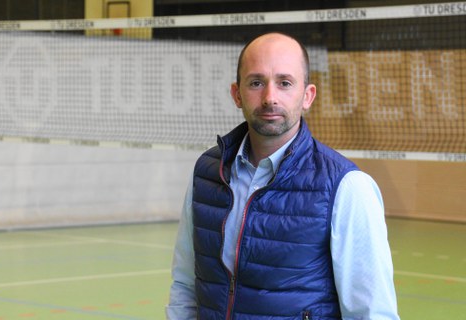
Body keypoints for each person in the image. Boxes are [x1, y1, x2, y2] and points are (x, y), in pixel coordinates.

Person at [166, 32, 400, 320]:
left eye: (285, 83)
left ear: (307, 96)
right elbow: (185, 284)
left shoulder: (347, 187)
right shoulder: (207, 173)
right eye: (256, 83)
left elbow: (372, 312)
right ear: (237, 94)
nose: (270, 97)